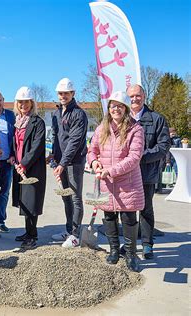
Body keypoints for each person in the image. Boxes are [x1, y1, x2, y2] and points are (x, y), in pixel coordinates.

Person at [87, 91, 144, 272]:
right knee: (109, 216)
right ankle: (113, 250)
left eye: (119, 106)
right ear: (109, 108)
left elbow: (134, 157)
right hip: (106, 182)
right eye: (113, 106)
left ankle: (130, 253)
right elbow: (92, 150)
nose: (116, 109)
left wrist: (110, 171)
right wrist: (94, 162)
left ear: (126, 108)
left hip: (127, 183)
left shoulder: (135, 129)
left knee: (128, 219)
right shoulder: (101, 128)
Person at [126, 84, 170, 259]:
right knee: (127, 210)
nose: (135, 99)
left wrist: (141, 157)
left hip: (147, 173)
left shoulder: (156, 119)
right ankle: (129, 244)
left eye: (138, 95)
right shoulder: (122, 118)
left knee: (145, 209)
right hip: (126, 173)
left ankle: (146, 244)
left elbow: (163, 146)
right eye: (131, 96)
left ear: (144, 96)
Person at [51, 78, 88, 247]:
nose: (63, 96)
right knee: (66, 198)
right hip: (61, 162)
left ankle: (75, 235)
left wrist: (63, 163)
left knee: (75, 198)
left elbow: (74, 141)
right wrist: (53, 156)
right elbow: (56, 137)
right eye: (60, 93)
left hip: (74, 162)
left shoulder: (78, 114)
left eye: (66, 93)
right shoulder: (57, 113)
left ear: (73, 93)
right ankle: (68, 230)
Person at [11, 87, 46, 249]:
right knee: (24, 201)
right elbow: (15, 144)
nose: (23, 105)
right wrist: (13, 157)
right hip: (19, 167)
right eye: (21, 102)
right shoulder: (17, 121)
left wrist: (24, 163)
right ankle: (27, 232)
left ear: (32, 103)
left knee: (31, 202)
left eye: (26, 102)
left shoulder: (37, 122)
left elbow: (37, 147)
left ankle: (33, 236)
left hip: (32, 168)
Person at [0, 91, 15, 233]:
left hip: (6, 162)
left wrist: (12, 154)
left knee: (4, 193)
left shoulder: (10, 116)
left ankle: (0, 221)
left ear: (3, 101)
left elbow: (15, 138)